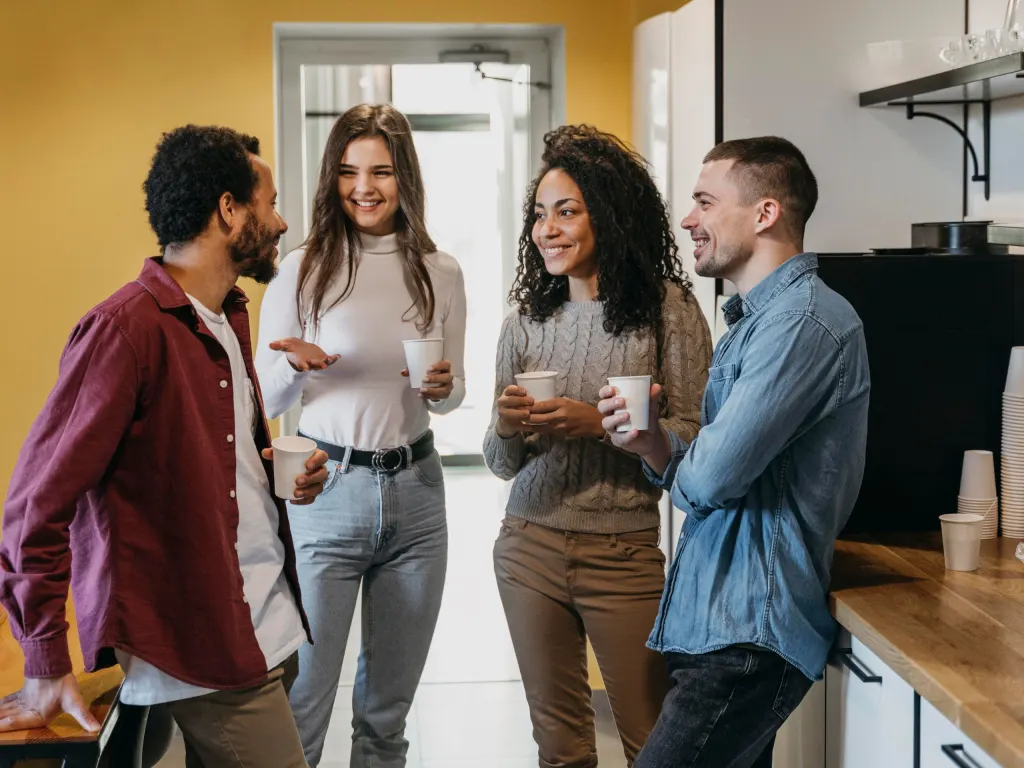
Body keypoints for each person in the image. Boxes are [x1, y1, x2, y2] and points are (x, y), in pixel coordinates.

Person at [0, 124, 333, 768]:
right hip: (204, 651)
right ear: (229, 209)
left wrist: (274, 477)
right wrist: (44, 657)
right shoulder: (123, 330)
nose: (283, 220)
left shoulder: (227, 315)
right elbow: (32, 504)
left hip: (266, 624)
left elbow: (202, 467)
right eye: (268, 202)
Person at [598, 136, 871, 768]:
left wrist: (679, 459)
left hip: (749, 634)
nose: (688, 219)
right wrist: (654, 441)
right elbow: (723, 470)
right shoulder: (757, 319)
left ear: (765, 213)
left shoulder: (803, 323)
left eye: (703, 201)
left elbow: (713, 480)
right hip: (724, 624)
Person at [483, 124, 712, 768]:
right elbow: (501, 465)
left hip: (624, 552)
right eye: (538, 214)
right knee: (560, 748)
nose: (546, 230)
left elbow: (697, 442)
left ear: (608, 215)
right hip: (528, 546)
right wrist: (506, 427)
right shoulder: (525, 321)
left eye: (567, 211)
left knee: (654, 746)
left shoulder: (669, 310)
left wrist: (602, 426)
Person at [256, 103, 466, 767]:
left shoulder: (441, 270)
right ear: (332, 179)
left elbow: (453, 391)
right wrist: (292, 361)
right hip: (325, 497)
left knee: (386, 716)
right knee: (304, 706)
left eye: (381, 171)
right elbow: (262, 395)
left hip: (418, 498)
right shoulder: (302, 268)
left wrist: (442, 389)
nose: (364, 187)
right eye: (348, 171)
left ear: (405, 176)